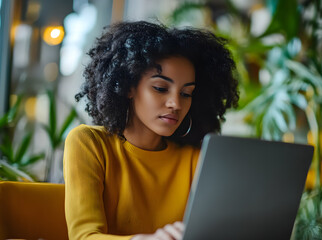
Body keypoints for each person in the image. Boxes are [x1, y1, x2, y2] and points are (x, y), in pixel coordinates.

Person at [63, 20, 239, 240]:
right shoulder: (89, 143)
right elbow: (84, 236)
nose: (176, 103)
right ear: (128, 87)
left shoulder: (196, 157)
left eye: (186, 93)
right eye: (160, 88)